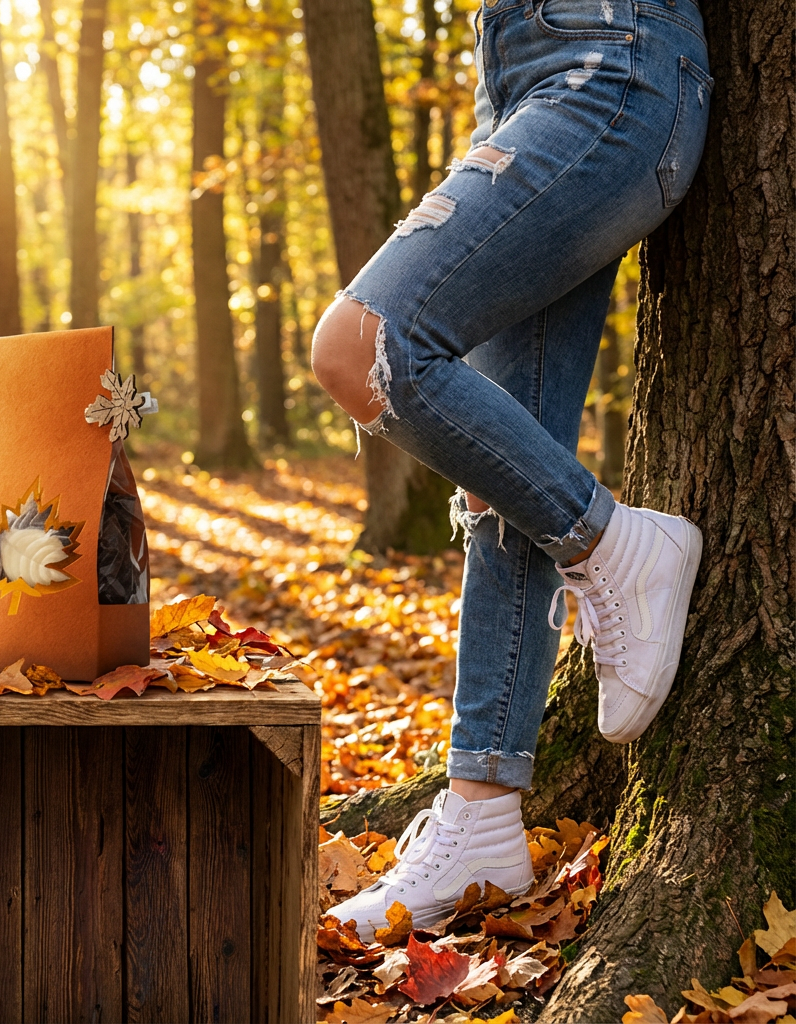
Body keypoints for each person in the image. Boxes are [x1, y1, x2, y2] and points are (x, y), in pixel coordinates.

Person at [311, 0, 712, 939]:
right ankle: (485, 809)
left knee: (364, 344)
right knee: (498, 469)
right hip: (520, 77)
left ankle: (614, 544)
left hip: (611, 67)